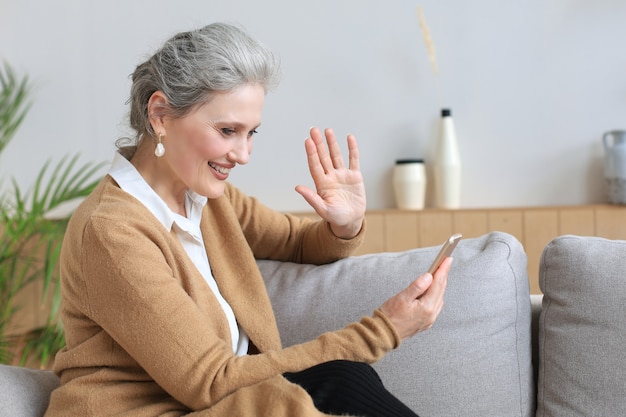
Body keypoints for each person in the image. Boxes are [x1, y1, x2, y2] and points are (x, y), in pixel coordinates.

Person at [44, 22, 451, 417]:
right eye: (227, 130)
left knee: (344, 377)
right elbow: (211, 381)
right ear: (161, 115)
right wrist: (385, 329)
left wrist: (343, 224)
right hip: (160, 410)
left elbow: (296, 243)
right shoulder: (111, 231)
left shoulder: (205, 196)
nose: (242, 154)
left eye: (251, 132)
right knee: (334, 382)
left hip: (232, 399)